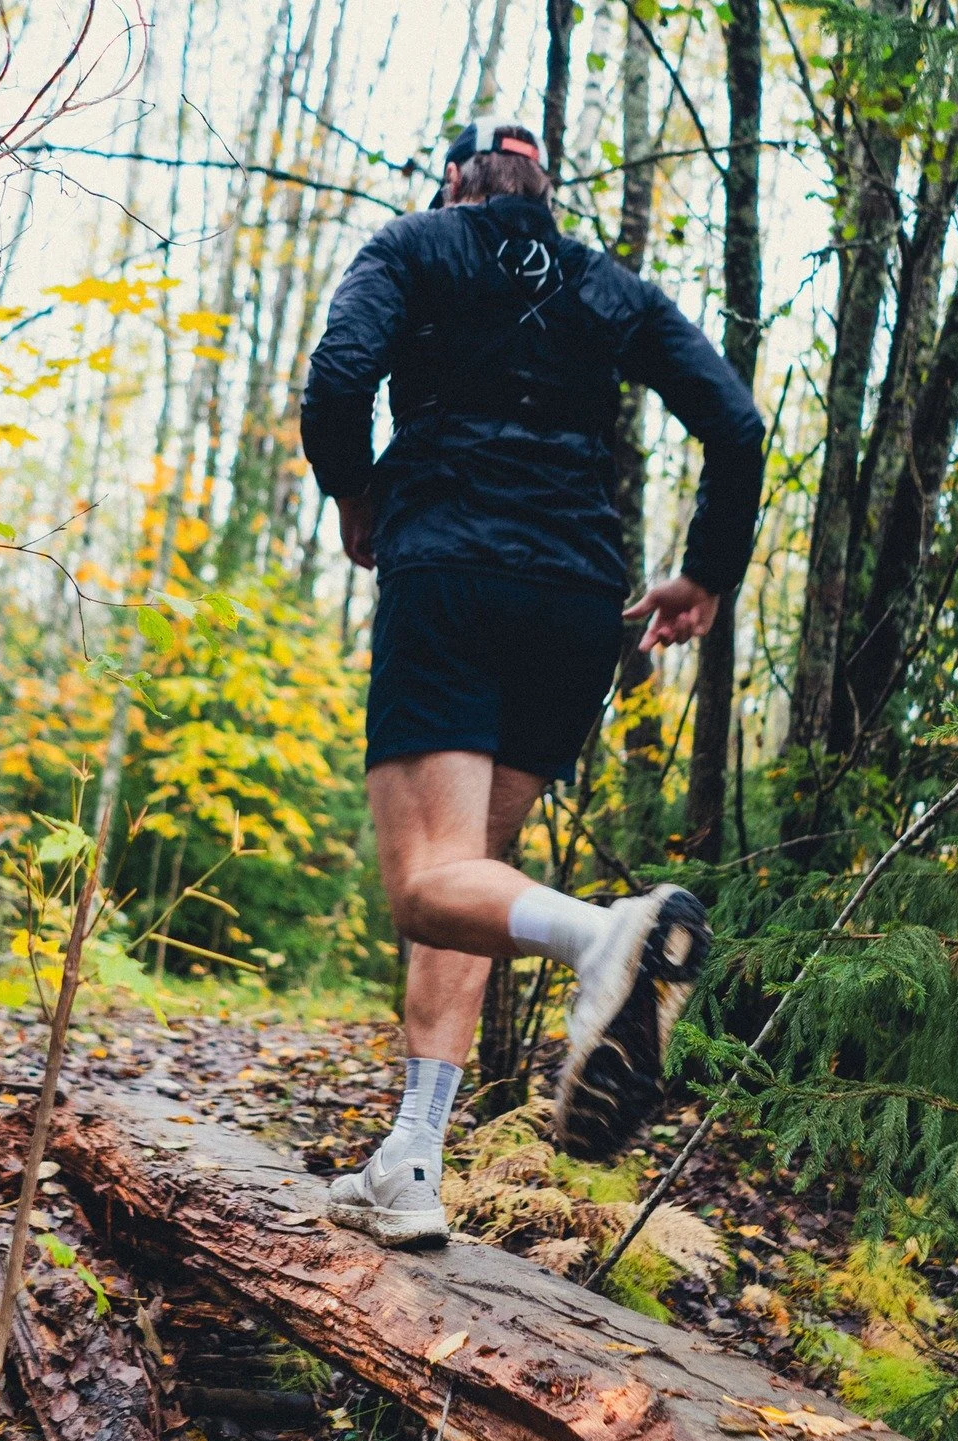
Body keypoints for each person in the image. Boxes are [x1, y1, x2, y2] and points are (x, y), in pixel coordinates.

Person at [300, 119, 764, 1250]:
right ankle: (411, 1157)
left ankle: (607, 937)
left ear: (455, 178)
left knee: (423, 886)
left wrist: (355, 493)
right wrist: (706, 573)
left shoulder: (413, 246)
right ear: (540, 189)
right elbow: (736, 424)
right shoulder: (610, 287)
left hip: (453, 573)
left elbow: (339, 379)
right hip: (574, 603)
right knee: (468, 883)